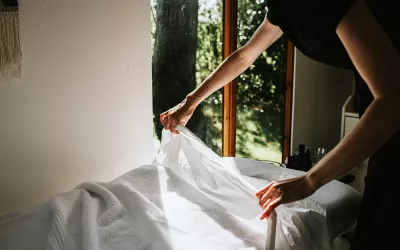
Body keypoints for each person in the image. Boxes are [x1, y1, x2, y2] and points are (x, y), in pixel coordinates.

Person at [160, 0, 400, 249]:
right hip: (380, 106)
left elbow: (393, 98)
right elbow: (245, 55)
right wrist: (191, 101)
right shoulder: (283, 6)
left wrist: (309, 182)